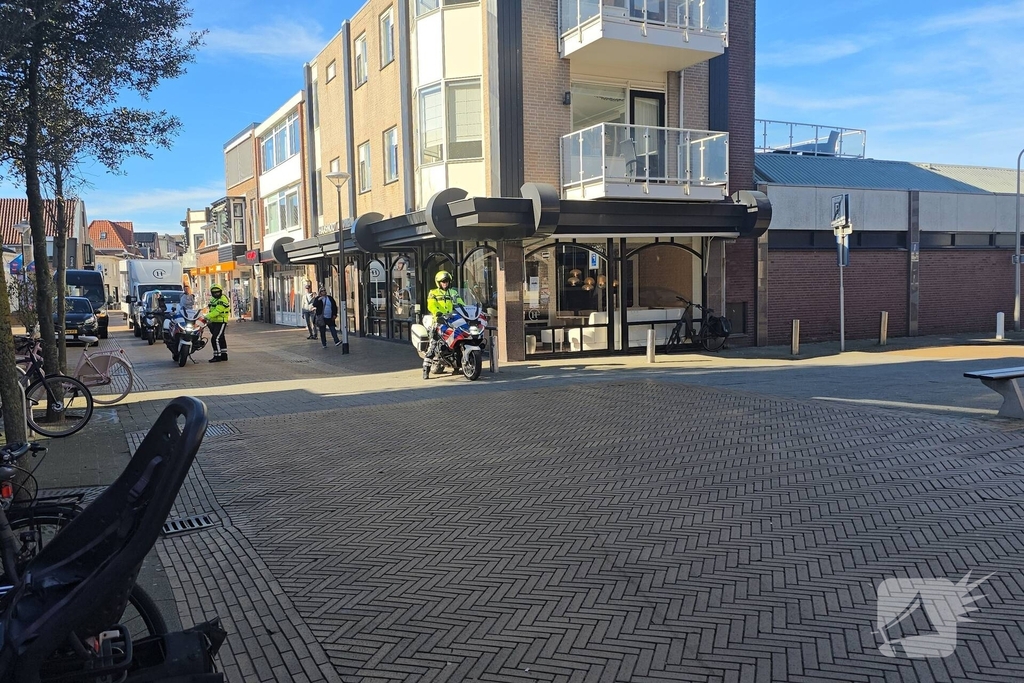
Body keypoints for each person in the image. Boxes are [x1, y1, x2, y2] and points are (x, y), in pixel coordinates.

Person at [422, 270, 465, 380]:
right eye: (442, 281)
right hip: (439, 321)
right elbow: (431, 305)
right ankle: (426, 369)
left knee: (458, 340)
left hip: (452, 320)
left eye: (446, 281)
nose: (445, 283)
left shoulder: (453, 293)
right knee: (434, 344)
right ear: (438, 283)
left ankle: (457, 367)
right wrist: (437, 312)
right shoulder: (433, 293)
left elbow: (461, 303)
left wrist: (465, 310)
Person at [206, 284, 231, 362]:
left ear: (221, 291)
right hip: (214, 321)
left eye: (218, 292)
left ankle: (217, 356)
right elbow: (211, 308)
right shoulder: (213, 299)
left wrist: (206, 317)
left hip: (221, 321)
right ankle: (224, 355)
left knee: (215, 338)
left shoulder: (222, 299)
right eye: (214, 293)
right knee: (221, 338)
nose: (216, 294)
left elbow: (217, 311)